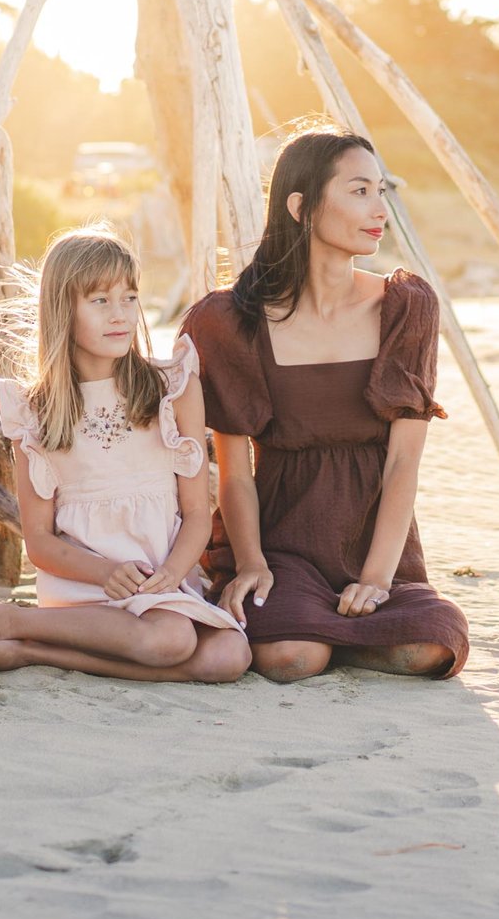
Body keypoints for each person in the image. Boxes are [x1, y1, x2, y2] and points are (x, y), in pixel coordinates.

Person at [181, 130, 469, 681]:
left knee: (431, 649)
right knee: (289, 658)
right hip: (282, 541)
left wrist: (379, 579)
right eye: (360, 191)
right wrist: (251, 564)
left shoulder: (406, 306)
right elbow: (235, 474)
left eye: (381, 191)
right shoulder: (230, 321)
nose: (379, 209)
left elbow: (404, 462)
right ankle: (324, 628)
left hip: (377, 544)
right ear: (302, 206)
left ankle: (342, 626)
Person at [0, 227, 249, 682]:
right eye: (100, 300)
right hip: (86, 588)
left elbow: (197, 514)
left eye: (129, 297)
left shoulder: (173, 390)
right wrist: (105, 572)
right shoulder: (36, 412)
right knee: (172, 641)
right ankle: (9, 620)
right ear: (63, 310)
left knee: (230, 658)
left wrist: (172, 573)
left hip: (161, 584)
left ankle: (29, 650)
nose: (120, 314)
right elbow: (40, 542)